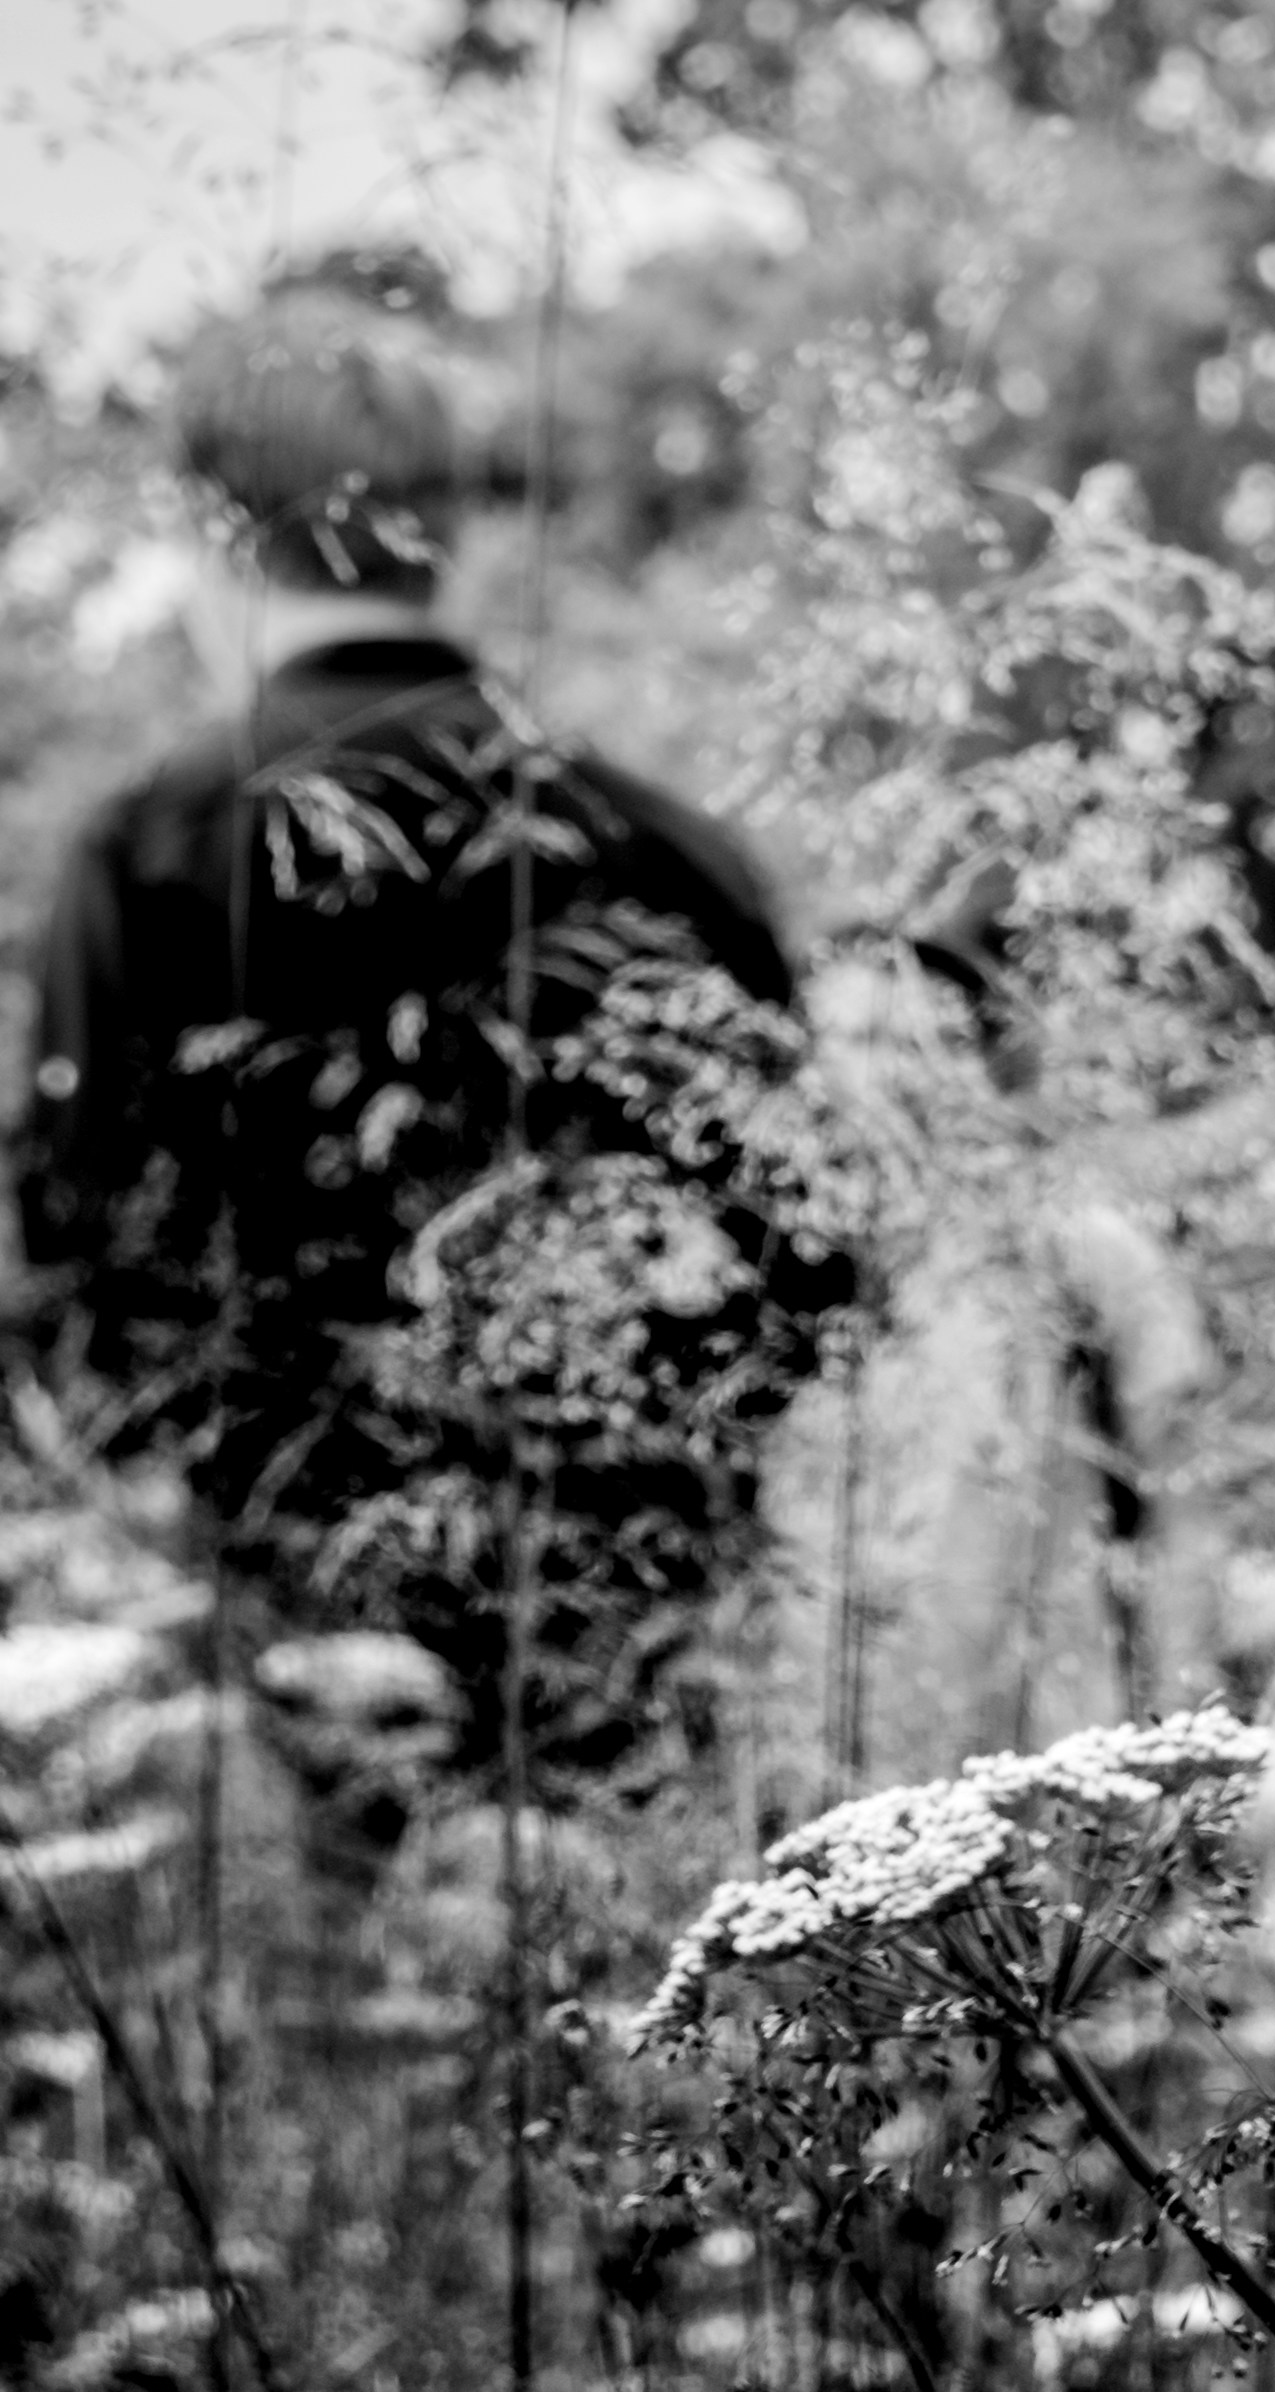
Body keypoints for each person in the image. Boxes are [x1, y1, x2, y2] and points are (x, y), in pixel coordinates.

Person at [19, 280, 847, 1761]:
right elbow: (807, 1239)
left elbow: (77, 1257)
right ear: (454, 530)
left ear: (216, 528)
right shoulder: (666, 850)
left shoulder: (147, 854)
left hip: (283, 1668)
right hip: (652, 1669)